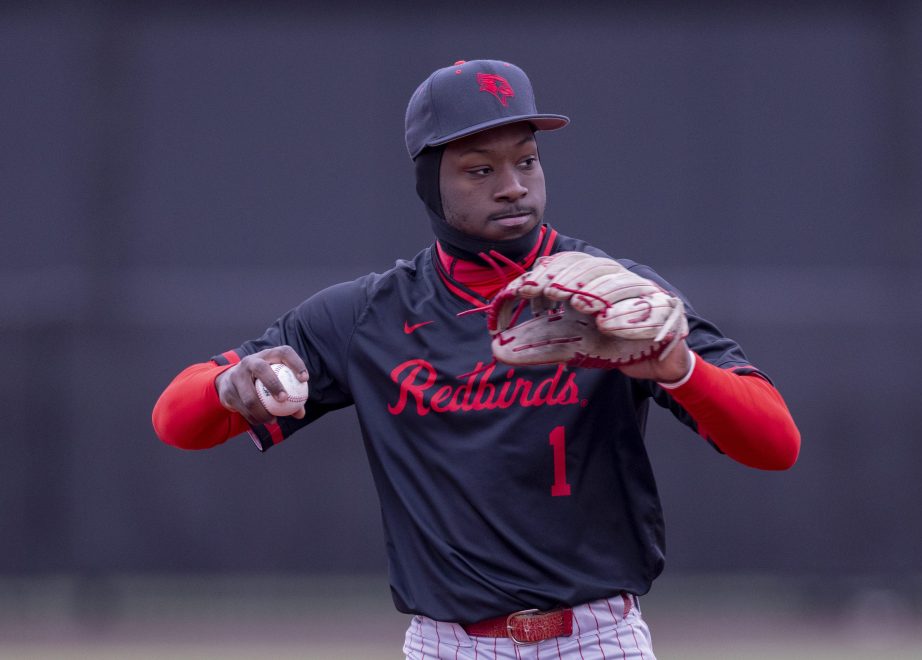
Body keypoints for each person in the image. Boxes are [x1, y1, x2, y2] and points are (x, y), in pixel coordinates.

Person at [153, 59, 800, 659]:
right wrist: (229, 385)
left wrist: (678, 369)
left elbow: (776, 442)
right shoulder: (367, 318)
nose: (514, 186)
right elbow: (175, 421)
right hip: (447, 647)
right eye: (481, 169)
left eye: (528, 160)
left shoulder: (612, 293)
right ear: (429, 183)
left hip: (596, 639)